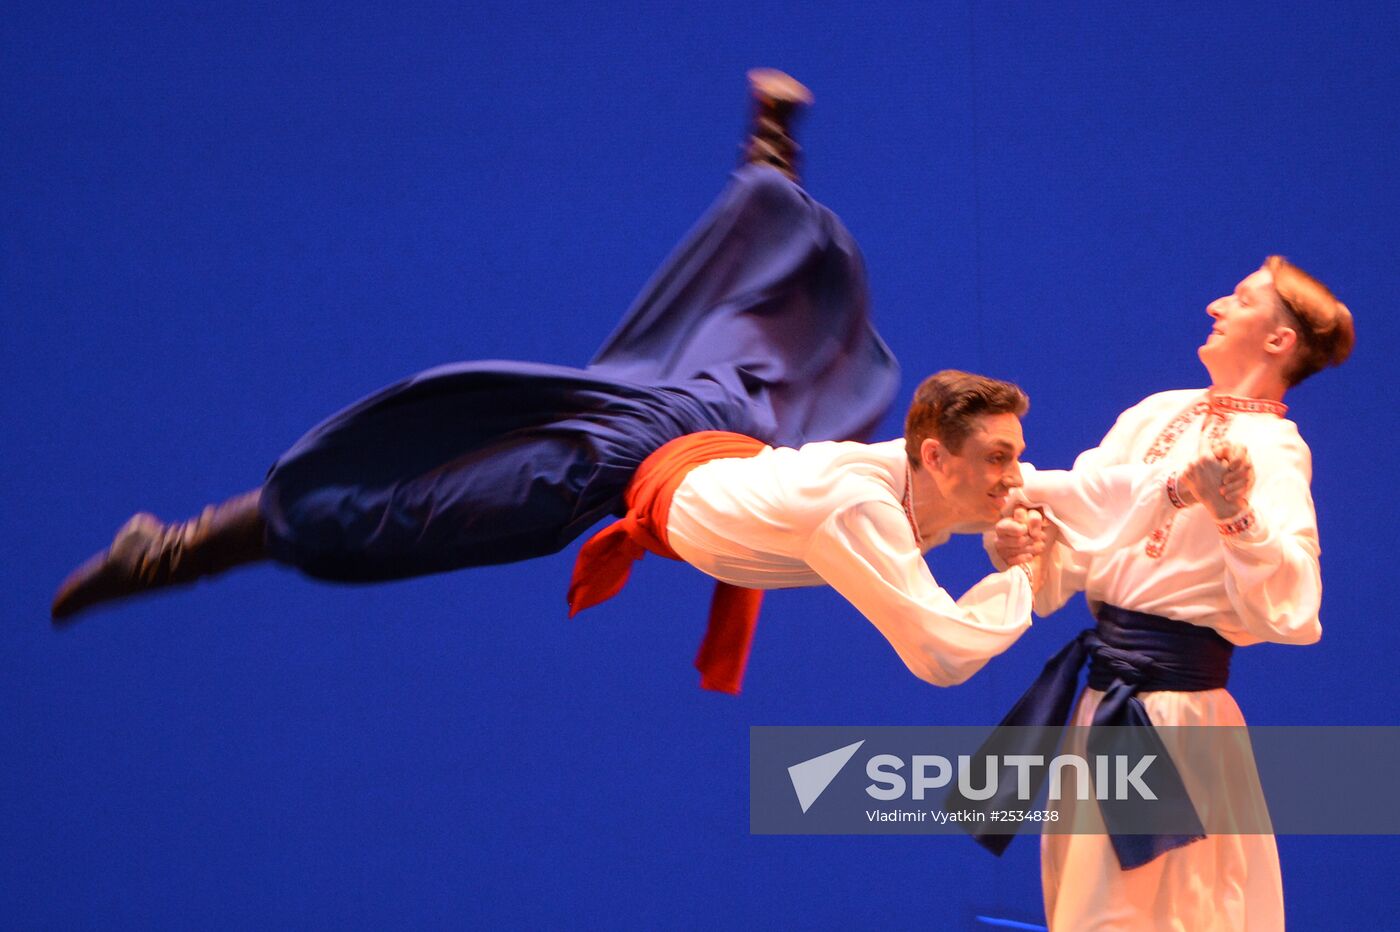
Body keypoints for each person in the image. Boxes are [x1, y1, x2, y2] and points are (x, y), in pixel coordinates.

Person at [51, 72, 1044, 694]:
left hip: (705, 425)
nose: (1008, 478)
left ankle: (768, 155)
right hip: (621, 458)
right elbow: (937, 638)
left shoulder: (917, 487)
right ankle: (174, 551)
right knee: (402, 514)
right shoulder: (866, 502)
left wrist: (1116, 509)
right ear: (937, 453)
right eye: (995, 461)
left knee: (743, 314)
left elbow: (1050, 494)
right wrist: (1038, 572)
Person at [990, 257, 1354, 930]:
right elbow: (1088, 515)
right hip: (1104, 700)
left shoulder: (1274, 451)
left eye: (1241, 299)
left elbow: (1295, 597)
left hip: (1175, 719)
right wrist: (1030, 544)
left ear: (1279, 340)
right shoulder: (1158, 412)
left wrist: (1236, 515)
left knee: (1159, 907)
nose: (1216, 304)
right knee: (1081, 896)